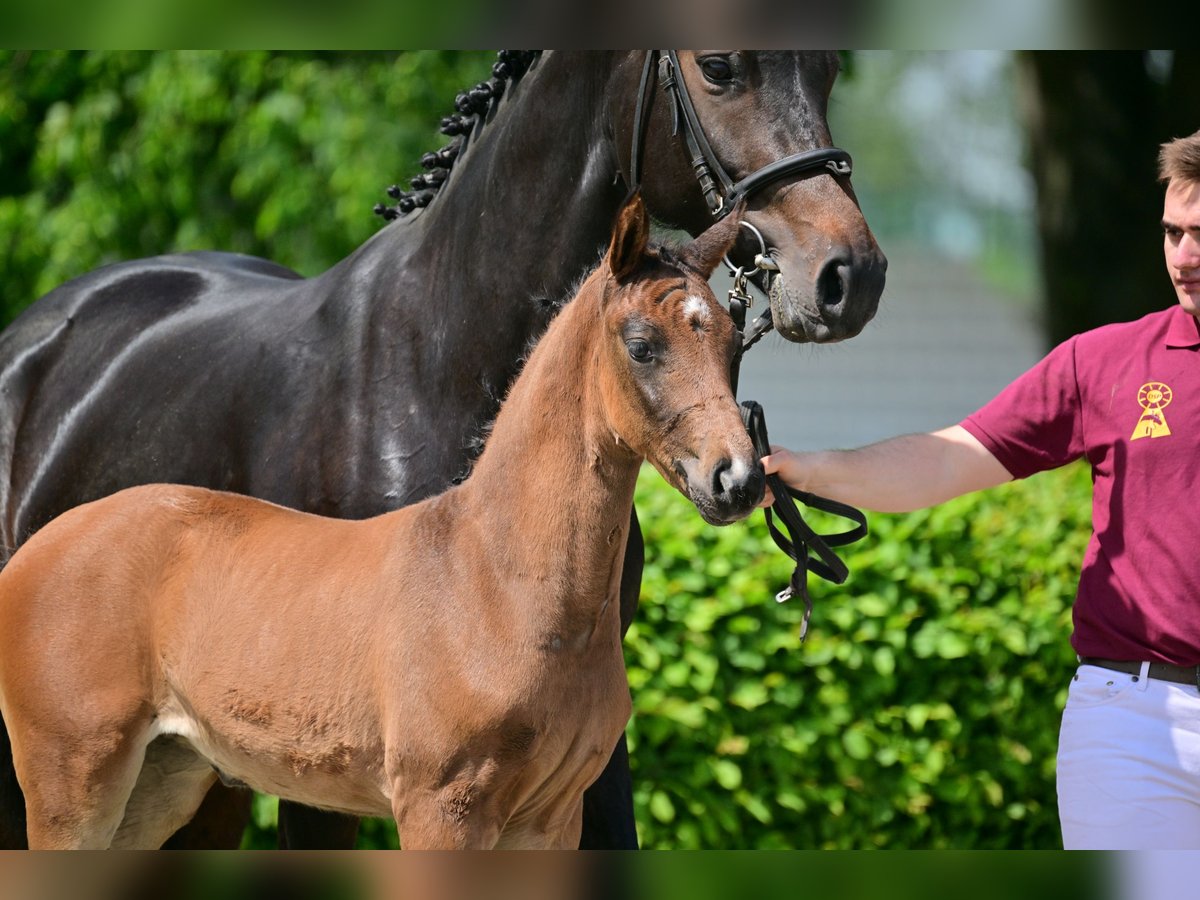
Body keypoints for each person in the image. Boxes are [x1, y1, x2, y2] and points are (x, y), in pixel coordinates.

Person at [761, 129, 1200, 850]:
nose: (1183, 257)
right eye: (1172, 233)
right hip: (1134, 722)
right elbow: (950, 460)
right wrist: (809, 469)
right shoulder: (1107, 362)